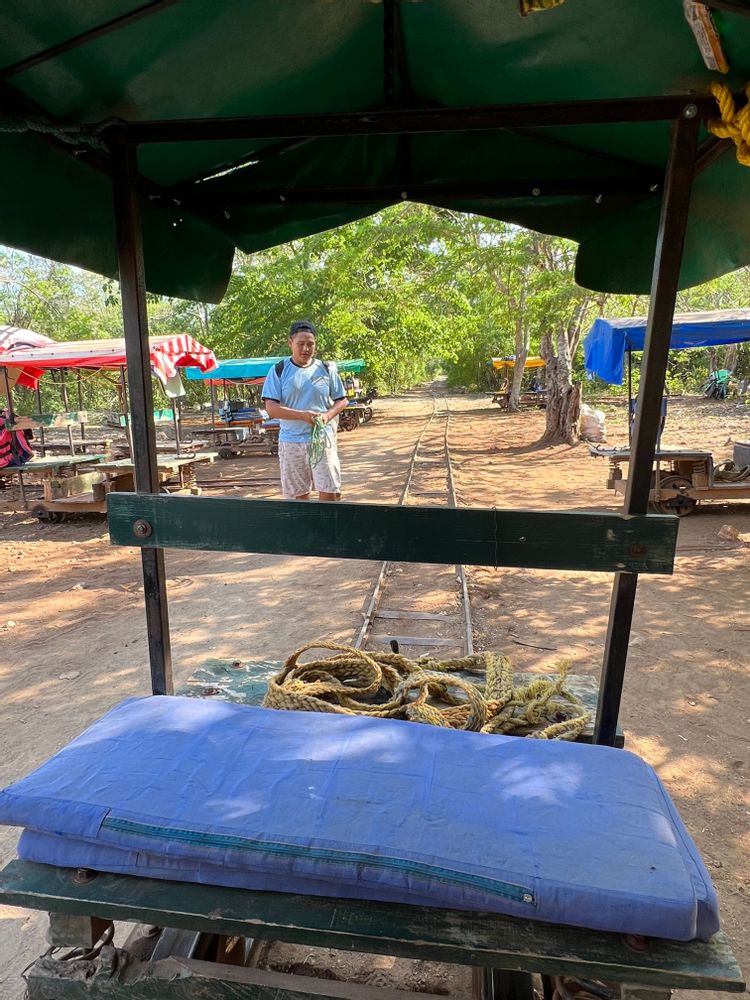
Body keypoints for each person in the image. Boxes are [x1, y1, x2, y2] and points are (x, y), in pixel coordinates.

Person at [261, 321, 348, 501]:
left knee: (330, 492)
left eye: (310, 344)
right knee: (297, 497)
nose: (306, 348)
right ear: (290, 343)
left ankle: (327, 529)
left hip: (322, 441)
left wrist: (327, 416)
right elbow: (271, 408)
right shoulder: (279, 370)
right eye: (301, 343)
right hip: (291, 442)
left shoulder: (326, 369)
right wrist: (302, 416)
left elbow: (342, 400)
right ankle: (304, 529)